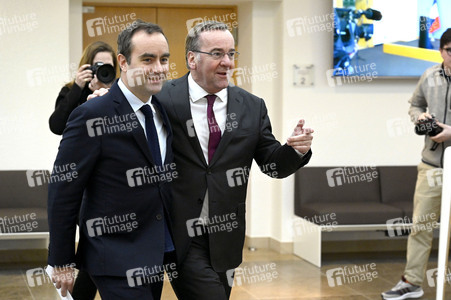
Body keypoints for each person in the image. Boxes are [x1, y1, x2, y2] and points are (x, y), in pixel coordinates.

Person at [158, 21, 313, 299]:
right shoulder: (163, 98)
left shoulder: (252, 106)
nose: (227, 62)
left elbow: (271, 165)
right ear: (192, 58)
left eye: (231, 54)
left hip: (225, 234)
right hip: (178, 232)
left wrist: (295, 150)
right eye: (217, 53)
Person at [47, 20, 175, 299]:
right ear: (123, 62)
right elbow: (63, 189)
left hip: (154, 254)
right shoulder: (92, 114)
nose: (159, 68)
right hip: (114, 256)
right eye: (148, 59)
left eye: (164, 59)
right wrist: (61, 260)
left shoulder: (161, 111)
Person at [382, 28, 451, 300]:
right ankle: (412, 282)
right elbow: (414, 105)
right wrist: (420, 118)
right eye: (449, 51)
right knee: (421, 225)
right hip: (432, 165)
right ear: (441, 51)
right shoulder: (430, 76)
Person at [48, 41, 117, 300]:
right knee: (89, 240)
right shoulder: (71, 90)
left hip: (108, 183)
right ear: (86, 66)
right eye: (96, 66)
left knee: (92, 245)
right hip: (79, 179)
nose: (102, 72)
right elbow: (56, 125)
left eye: (107, 67)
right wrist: (78, 88)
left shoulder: (119, 95)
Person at [49, 41, 118, 135]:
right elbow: (56, 127)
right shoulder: (71, 90)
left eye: (108, 66)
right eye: (99, 66)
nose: (104, 70)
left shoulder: (119, 91)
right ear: (88, 67)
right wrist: (76, 88)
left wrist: (105, 94)